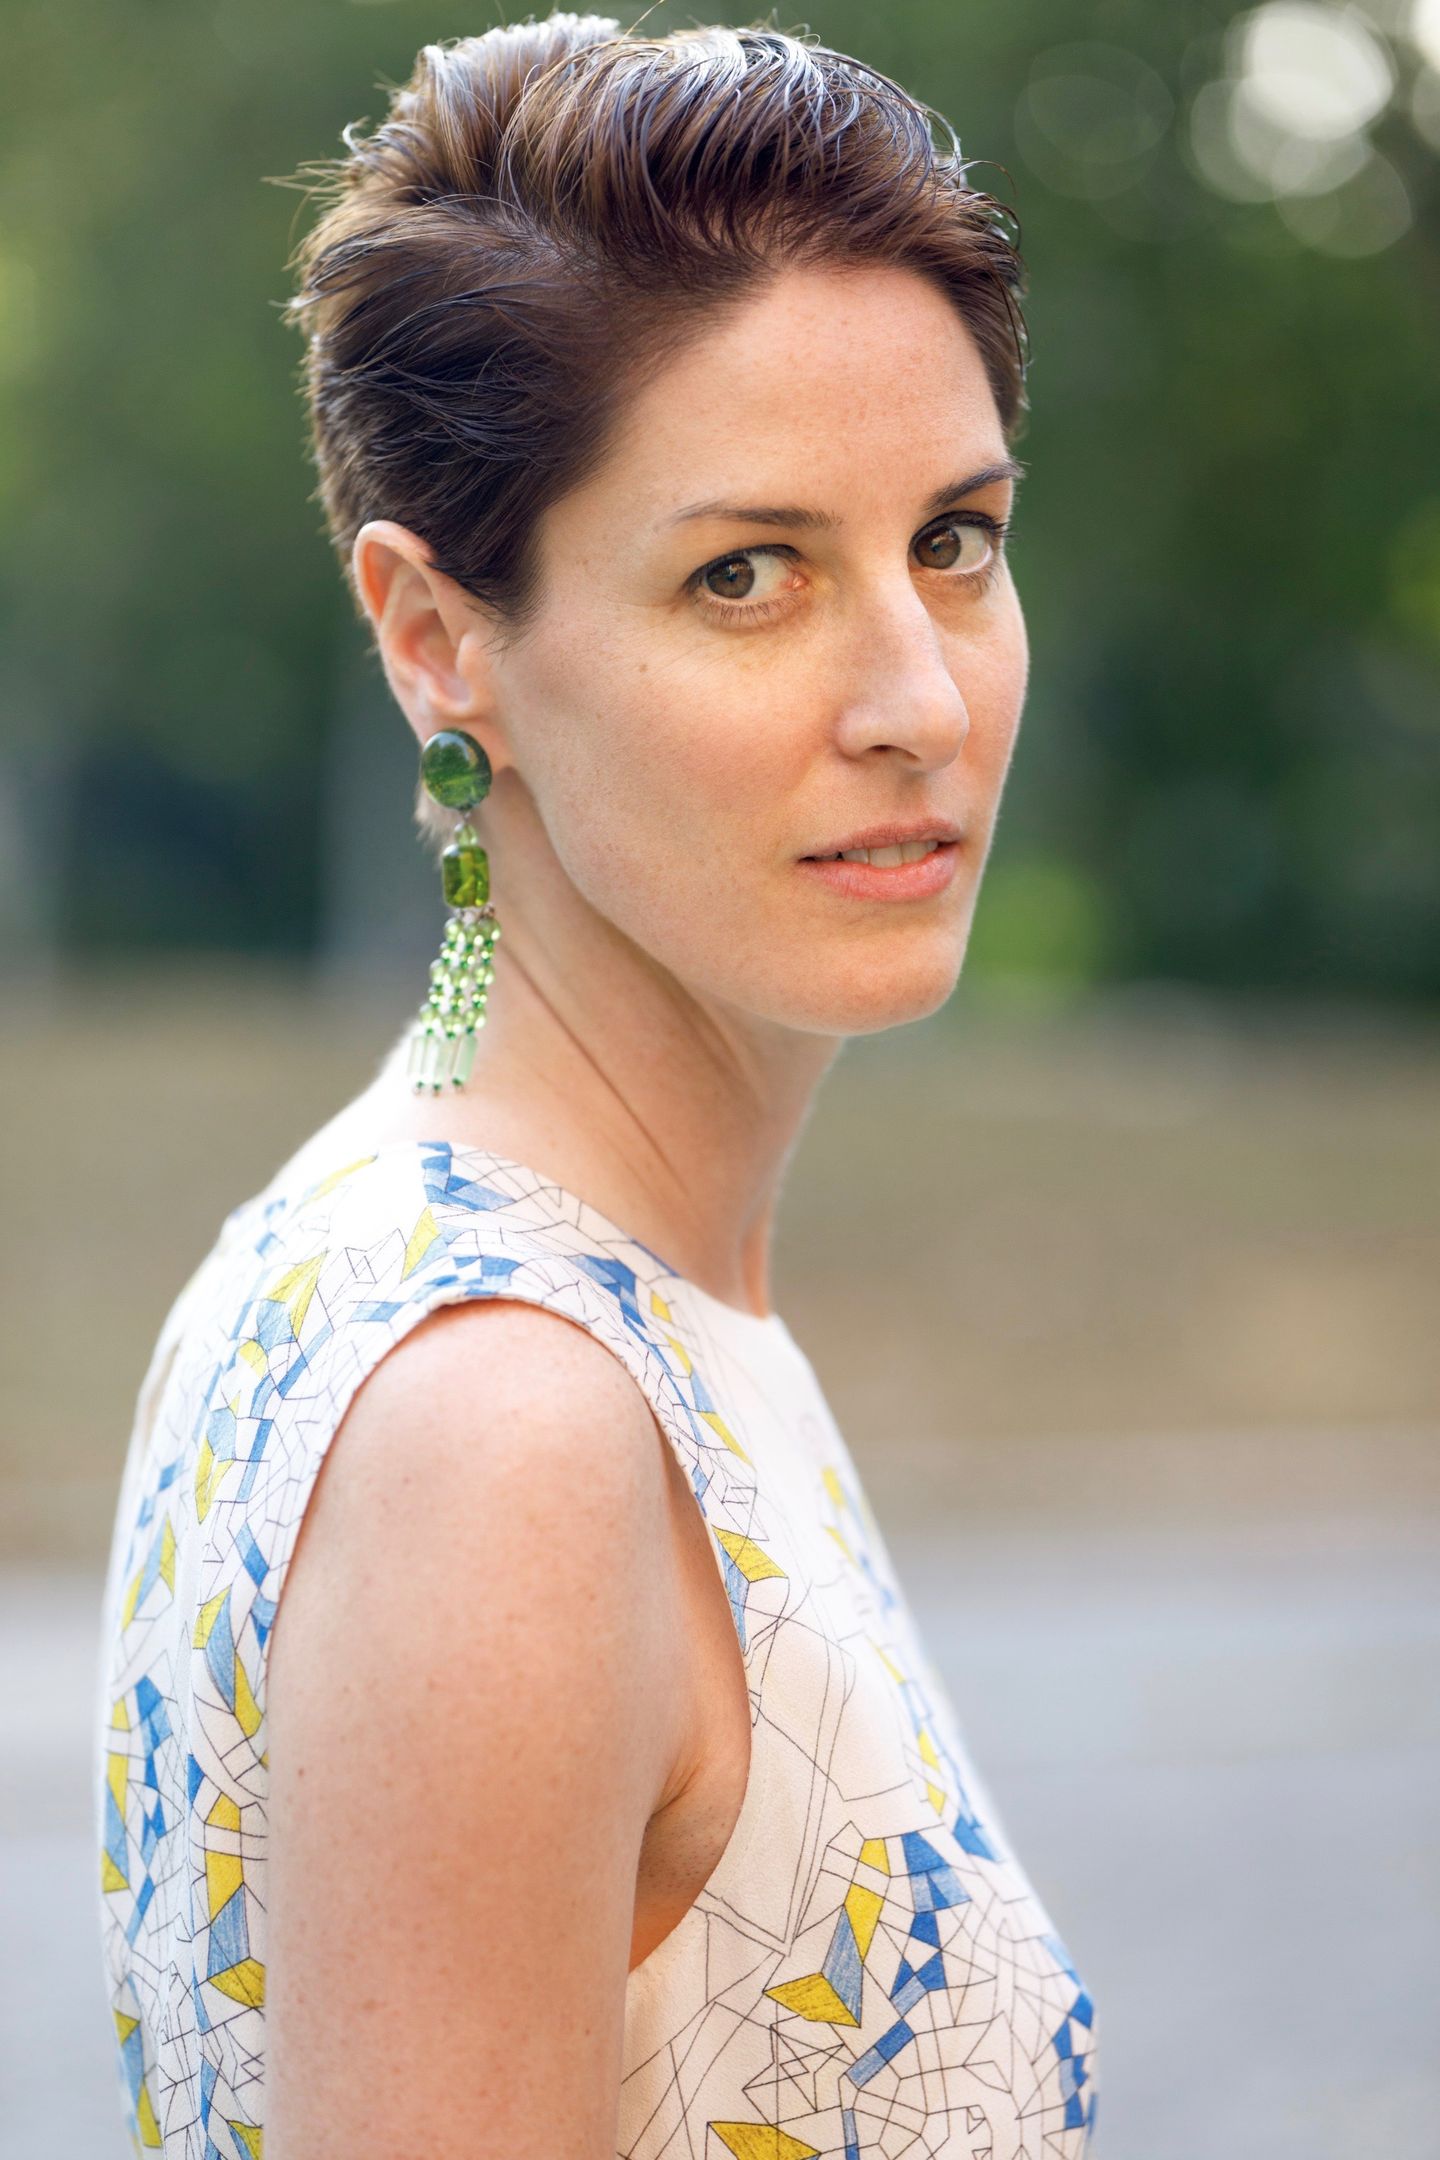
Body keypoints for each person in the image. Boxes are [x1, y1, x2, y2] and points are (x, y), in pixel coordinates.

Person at [94, 13, 1099, 2155]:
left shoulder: (398, 1251)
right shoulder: (504, 1429)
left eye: (954, 538)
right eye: (747, 575)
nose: (919, 701)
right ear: (438, 640)